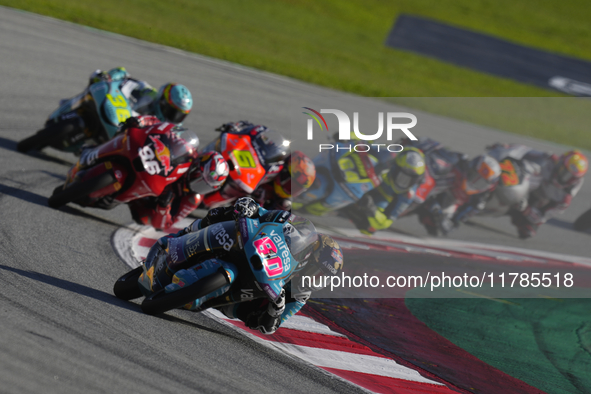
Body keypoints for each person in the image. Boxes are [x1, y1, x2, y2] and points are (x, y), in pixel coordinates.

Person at [153, 197, 344, 334]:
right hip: (255, 250)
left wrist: (274, 311)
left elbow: (270, 328)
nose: (315, 278)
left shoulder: (301, 294)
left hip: (242, 296)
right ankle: (185, 234)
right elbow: (269, 216)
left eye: (323, 277)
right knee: (222, 215)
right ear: (310, 256)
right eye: (317, 271)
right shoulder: (296, 234)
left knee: (252, 316)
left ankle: (202, 293)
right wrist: (252, 208)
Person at [204, 121, 316, 211]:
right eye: (291, 184)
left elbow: (268, 220)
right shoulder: (276, 163)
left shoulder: (282, 203)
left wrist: (258, 204)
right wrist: (242, 128)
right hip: (241, 177)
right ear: (286, 172)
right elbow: (263, 140)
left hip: (233, 213)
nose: (290, 190)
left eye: (296, 189)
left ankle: (209, 202)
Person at [488, 144, 588, 238]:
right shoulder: (549, 159)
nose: (565, 179)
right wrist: (505, 147)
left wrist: (526, 209)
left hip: (533, 202)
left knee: (528, 231)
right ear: (560, 163)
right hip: (521, 180)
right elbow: (525, 151)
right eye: (565, 173)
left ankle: (506, 209)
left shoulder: (564, 199)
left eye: (571, 178)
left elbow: (541, 219)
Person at [407, 138, 501, 236]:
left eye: (480, 182)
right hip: (432, 186)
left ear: (488, 187)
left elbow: (454, 224)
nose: (474, 183)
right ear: (470, 168)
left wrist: (444, 220)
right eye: (474, 176)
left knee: (439, 226)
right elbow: (441, 152)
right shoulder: (459, 163)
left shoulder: (477, 202)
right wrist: (425, 146)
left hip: (442, 205)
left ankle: (426, 216)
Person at [344, 147, 426, 234]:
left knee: (371, 226)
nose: (404, 182)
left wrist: (371, 209)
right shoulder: (388, 156)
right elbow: (366, 145)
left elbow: (386, 223)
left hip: (375, 199)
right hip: (363, 181)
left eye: (411, 180)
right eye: (402, 176)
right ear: (395, 167)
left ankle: (347, 209)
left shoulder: (407, 195)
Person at [87, 67, 193, 124]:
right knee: (97, 79)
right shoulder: (148, 93)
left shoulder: (173, 130)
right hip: (117, 116)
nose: (175, 118)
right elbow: (124, 74)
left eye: (181, 115)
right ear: (163, 102)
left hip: (128, 142)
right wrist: (110, 77)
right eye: (173, 112)